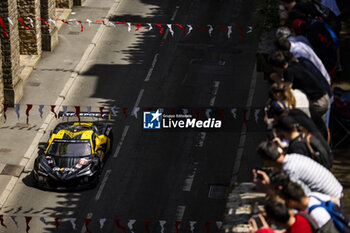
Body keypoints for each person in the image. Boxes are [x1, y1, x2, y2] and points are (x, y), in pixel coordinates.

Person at [255, 141, 343, 198]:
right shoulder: (292, 157)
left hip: (332, 198)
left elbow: (298, 197)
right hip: (335, 189)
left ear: (268, 161)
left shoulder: (290, 169)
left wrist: (269, 187)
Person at [268, 51, 330, 120]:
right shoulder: (293, 63)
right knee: (320, 126)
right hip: (324, 97)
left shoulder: (288, 71)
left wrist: (277, 82)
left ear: (276, 67)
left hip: (318, 103)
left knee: (303, 123)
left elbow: (287, 91)